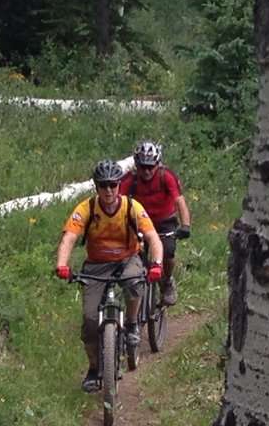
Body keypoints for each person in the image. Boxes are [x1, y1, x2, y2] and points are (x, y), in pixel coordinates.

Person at [55, 159, 164, 392]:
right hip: (95, 265)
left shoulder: (131, 207)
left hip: (127, 259)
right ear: (96, 186)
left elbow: (153, 238)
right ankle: (94, 369)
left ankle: (133, 323)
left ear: (119, 185)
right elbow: (69, 238)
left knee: (135, 282)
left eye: (113, 185)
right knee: (90, 320)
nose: (108, 190)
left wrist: (156, 264)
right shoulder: (87, 208)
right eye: (103, 185)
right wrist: (62, 265)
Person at [119, 140, 191, 306]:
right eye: (142, 166)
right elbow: (117, 202)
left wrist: (185, 225)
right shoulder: (130, 180)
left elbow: (180, 202)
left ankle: (167, 283)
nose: (146, 171)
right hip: (139, 222)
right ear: (136, 165)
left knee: (168, 251)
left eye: (150, 167)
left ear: (158, 164)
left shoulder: (166, 176)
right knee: (130, 255)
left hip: (164, 221)